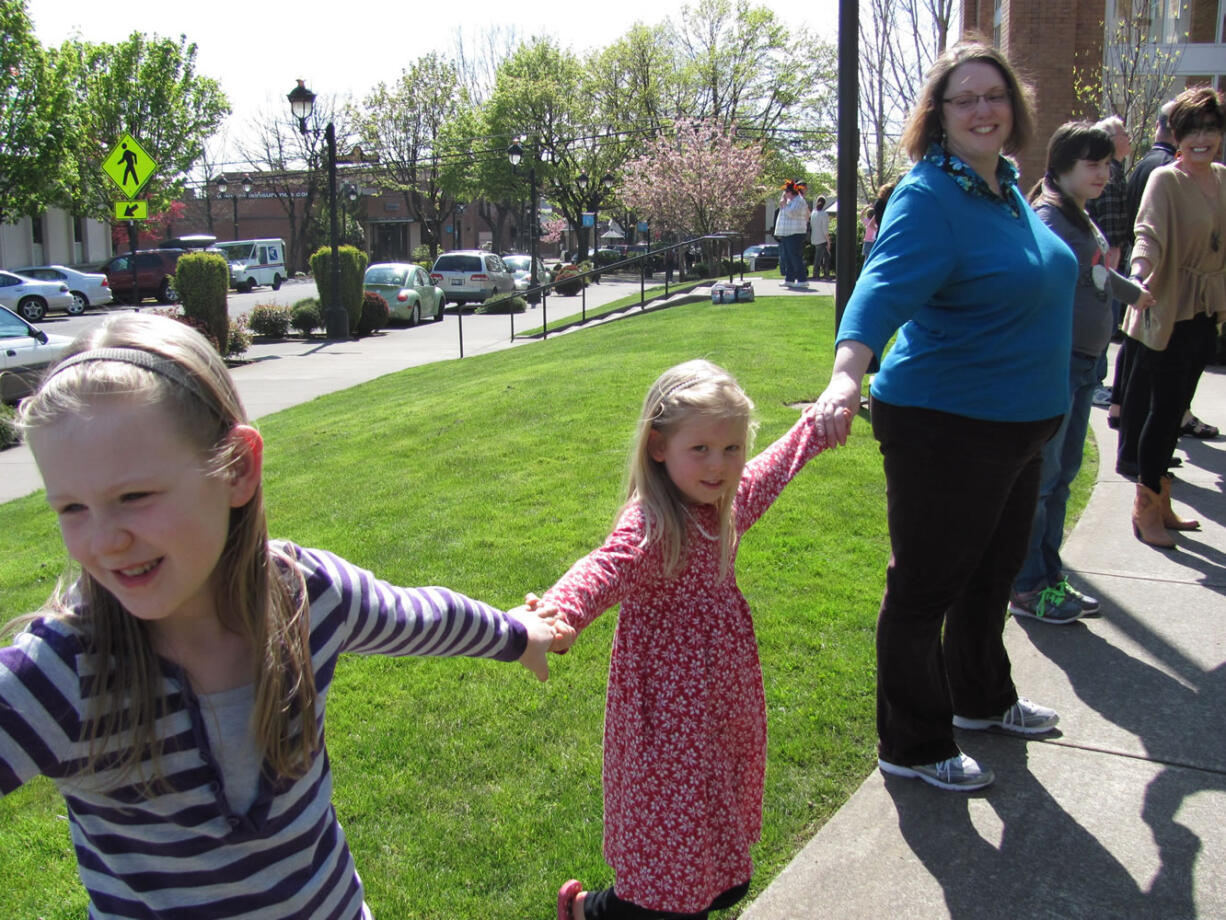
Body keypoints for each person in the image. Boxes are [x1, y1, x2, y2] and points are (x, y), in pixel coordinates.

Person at [0, 313, 562, 919]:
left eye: (133, 497)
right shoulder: (60, 673)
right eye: (71, 508)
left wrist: (516, 634)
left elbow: (418, 616)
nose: (104, 540)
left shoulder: (306, 595)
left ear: (237, 469)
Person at [813, 40, 1072, 792]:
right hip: (947, 427)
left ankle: (981, 700)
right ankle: (914, 742)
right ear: (940, 115)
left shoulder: (1004, 187)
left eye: (995, 95)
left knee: (990, 577)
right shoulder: (930, 194)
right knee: (926, 587)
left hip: (1021, 428)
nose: (984, 110)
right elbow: (881, 287)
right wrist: (843, 376)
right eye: (966, 99)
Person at [547, 360, 845, 920]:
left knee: (712, 858)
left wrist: (817, 423)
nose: (721, 465)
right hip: (666, 724)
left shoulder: (725, 504)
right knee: (670, 871)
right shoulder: (654, 525)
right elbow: (604, 567)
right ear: (658, 446)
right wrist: (559, 613)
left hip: (721, 712)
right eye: (702, 449)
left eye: (732, 448)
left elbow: (773, 467)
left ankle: (590, 910)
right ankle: (593, 910)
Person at [1010, 122, 1154, 624]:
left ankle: (1049, 575)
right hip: (1058, 366)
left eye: (1107, 163)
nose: (1105, 172)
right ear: (1062, 167)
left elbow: (1092, 271)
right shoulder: (1048, 217)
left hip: (1083, 363)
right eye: (1093, 164)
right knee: (1044, 480)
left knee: (1062, 477)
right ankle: (1027, 587)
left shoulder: (1076, 213)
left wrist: (1132, 292)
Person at [1117, 86, 1226, 548]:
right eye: (1192, 130)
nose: (1202, 139)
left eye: (1211, 129)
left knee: (1178, 409)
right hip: (1168, 308)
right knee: (1161, 414)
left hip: (1205, 311)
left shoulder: (1221, 177)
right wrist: (1139, 274)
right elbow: (1148, 235)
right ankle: (1146, 509)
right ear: (1177, 135)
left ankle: (1162, 501)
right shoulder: (1166, 178)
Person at [1109, 100, 1179, 432]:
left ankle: (1119, 406)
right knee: (1145, 354)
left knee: (1131, 342)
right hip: (1152, 269)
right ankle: (1134, 429)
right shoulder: (1166, 168)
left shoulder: (1140, 166)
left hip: (1134, 265)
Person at [1086, 115, 1132, 406]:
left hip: (1102, 260)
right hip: (1106, 261)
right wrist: (1114, 252)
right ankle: (1095, 383)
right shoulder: (1111, 173)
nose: (1128, 137)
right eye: (1123, 133)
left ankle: (1094, 381)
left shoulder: (1109, 171)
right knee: (1105, 319)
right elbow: (1112, 219)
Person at [774, 179, 810, 288]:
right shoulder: (790, 201)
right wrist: (784, 204)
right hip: (787, 233)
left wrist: (784, 205)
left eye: (786, 192)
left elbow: (792, 214)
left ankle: (802, 279)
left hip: (796, 233)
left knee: (795, 256)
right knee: (788, 257)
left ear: (791, 192)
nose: (785, 194)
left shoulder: (799, 200)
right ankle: (789, 279)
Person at [810, 195, 832, 280]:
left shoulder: (813, 213)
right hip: (822, 239)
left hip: (815, 237)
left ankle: (825, 273)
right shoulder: (824, 214)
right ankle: (817, 274)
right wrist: (828, 241)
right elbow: (825, 230)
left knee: (822, 256)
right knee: (820, 257)